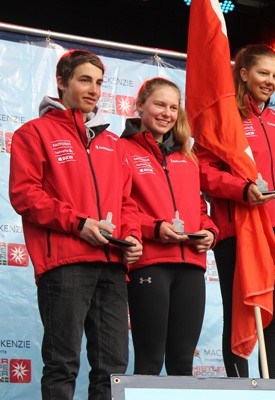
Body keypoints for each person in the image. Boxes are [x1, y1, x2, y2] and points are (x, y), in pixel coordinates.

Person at [8, 50, 143, 400]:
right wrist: (78, 223)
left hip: (113, 267)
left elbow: (127, 202)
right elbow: (25, 195)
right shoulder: (33, 133)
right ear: (61, 81)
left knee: (113, 369)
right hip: (65, 264)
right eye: (85, 80)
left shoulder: (112, 141)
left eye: (99, 82)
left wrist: (132, 236)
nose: (95, 89)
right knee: (62, 364)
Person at [198, 44, 275, 378]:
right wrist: (241, 190)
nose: (270, 81)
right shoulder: (225, 117)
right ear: (243, 74)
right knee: (238, 311)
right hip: (237, 226)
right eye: (262, 73)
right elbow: (205, 171)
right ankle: (238, 389)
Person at [120, 77, 217, 376]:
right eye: (159, 104)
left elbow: (199, 207)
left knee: (182, 362)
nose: (167, 113)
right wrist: (154, 228)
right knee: (150, 360)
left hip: (191, 266)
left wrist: (210, 232)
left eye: (173, 107)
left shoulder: (188, 156)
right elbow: (122, 205)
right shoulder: (122, 149)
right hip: (150, 263)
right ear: (140, 106)